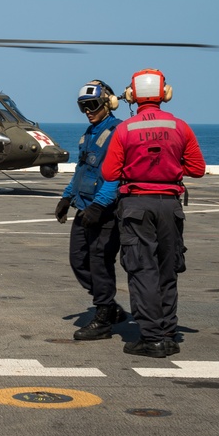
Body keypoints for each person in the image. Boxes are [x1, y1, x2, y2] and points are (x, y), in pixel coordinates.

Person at [101, 69, 205, 358]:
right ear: (165, 94)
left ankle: (152, 337)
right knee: (167, 269)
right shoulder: (180, 127)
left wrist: (139, 171)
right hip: (170, 205)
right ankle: (169, 333)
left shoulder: (125, 130)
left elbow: (109, 172)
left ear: (132, 95)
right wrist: (169, 169)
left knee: (142, 269)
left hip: (136, 205)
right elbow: (197, 168)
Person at [54, 80, 125, 340]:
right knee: (78, 261)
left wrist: (99, 205)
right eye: (83, 106)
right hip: (85, 207)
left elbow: (114, 177)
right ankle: (109, 306)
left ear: (108, 103)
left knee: (100, 263)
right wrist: (66, 197)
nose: (88, 110)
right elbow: (82, 169)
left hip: (104, 211)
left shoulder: (117, 132)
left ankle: (104, 316)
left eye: (92, 105)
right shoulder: (89, 134)